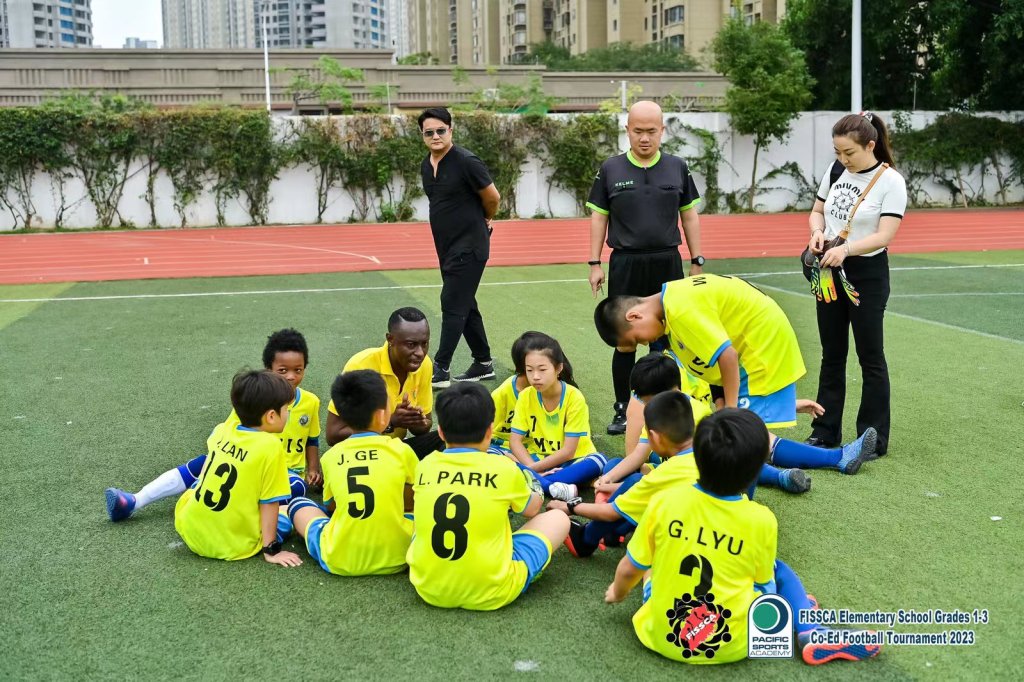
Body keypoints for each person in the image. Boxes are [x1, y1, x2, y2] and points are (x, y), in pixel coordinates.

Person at [604, 408, 882, 666]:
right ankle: (810, 629)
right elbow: (765, 590)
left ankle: (797, 607)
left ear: (697, 457)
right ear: (756, 474)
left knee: (652, 559)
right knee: (778, 571)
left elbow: (628, 569)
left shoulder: (664, 502)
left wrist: (617, 593)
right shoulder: (760, 520)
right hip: (732, 643)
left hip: (659, 635)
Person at [594, 275, 879, 475]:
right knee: (742, 435)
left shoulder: (679, 310)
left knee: (742, 435)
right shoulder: (673, 305)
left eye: (637, 338)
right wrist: (723, 404)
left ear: (634, 316)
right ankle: (823, 462)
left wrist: (729, 412)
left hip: (757, 347)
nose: (645, 343)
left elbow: (727, 355)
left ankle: (831, 459)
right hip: (752, 345)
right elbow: (713, 363)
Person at [105, 329, 320, 521]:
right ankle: (135, 500)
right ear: (268, 369)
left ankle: (235, 508)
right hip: (245, 464)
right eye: (282, 370)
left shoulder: (311, 402)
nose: (291, 376)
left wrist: (312, 468)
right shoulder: (254, 401)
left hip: (288, 471)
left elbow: (312, 439)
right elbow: (228, 436)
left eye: (298, 370)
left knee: (297, 487)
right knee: (202, 463)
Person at [586, 100, 705, 435]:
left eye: (651, 131)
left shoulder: (677, 167)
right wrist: (595, 263)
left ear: (662, 131)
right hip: (625, 263)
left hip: (667, 262)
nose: (644, 138)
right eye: (637, 131)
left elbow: (689, 216)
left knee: (664, 342)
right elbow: (599, 218)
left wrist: (696, 260)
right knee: (625, 341)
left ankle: (664, 408)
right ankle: (623, 409)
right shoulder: (611, 168)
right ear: (627, 130)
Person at [406, 383, 570, 611]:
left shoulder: (425, 465)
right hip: (494, 591)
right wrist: (528, 476)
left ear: (441, 432)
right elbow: (533, 508)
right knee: (558, 518)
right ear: (490, 431)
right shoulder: (503, 467)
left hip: (429, 588)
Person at [805, 112, 907, 456]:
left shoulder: (891, 181)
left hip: (867, 274)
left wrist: (846, 250)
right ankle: (824, 431)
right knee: (831, 354)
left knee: (870, 357)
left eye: (849, 152)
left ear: (870, 145)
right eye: (837, 152)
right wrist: (817, 232)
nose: (843, 159)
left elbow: (884, 235)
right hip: (828, 271)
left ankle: (872, 439)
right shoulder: (835, 171)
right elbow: (817, 211)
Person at [288, 370, 418, 576]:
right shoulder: (402, 451)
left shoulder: (331, 457)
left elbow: (332, 506)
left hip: (340, 559)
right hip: (398, 557)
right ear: (381, 415)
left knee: (299, 505)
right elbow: (412, 501)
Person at [173, 370, 303, 567]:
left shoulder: (224, 429)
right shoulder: (270, 446)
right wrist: (271, 550)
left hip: (190, 529)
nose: (288, 413)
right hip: (232, 544)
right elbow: (269, 503)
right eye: (286, 409)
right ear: (271, 416)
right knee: (291, 512)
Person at [418, 107, 501, 389]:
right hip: (446, 247)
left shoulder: (467, 161)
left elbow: (492, 197)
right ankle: (483, 363)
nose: (435, 136)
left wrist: (485, 219)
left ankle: (440, 369)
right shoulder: (426, 165)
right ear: (423, 136)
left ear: (450, 130)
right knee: (465, 302)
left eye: (441, 130)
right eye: (429, 132)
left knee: (452, 301)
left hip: (470, 244)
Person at [324, 307, 443, 459]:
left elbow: (425, 426)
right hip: (361, 454)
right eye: (411, 344)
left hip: (394, 450)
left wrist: (414, 421)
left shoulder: (424, 365)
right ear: (390, 339)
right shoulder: (361, 365)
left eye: (424, 344)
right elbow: (333, 434)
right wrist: (390, 422)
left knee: (447, 438)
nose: (420, 352)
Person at [508, 333, 608, 501]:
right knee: (495, 454)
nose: (535, 376)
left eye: (542, 369)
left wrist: (531, 470)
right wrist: (533, 466)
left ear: (558, 368)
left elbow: (568, 452)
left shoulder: (574, 397)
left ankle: (532, 481)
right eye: (529, 370)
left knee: (599, 461)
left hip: (574, 460)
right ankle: (553, 485)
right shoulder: (525, 396)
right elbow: (515, 441)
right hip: (539, 458)